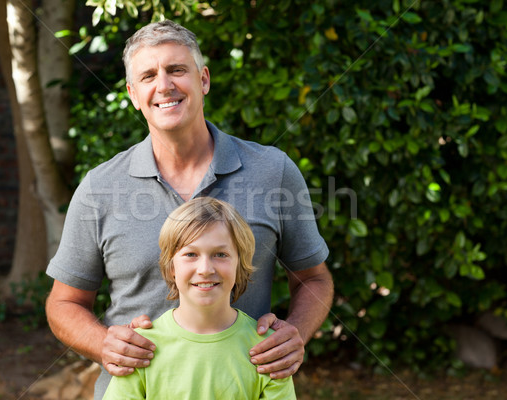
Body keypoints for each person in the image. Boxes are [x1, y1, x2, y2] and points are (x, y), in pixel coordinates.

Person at [45, 20, 333, 400]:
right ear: (133, 94)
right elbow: (64, 303)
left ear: (204, 80)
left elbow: (314, 278)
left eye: (177, 70)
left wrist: (295, 331)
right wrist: (103, 344)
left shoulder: (272, 171)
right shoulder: (100, 188)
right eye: (148, 75)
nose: (164, 86)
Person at [103, 197, 297, 399]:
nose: (205, 269)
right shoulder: (140, 348)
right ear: (171, 268)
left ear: (239, 265)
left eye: (220, 254)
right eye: (191, 254)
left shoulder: (268, 352)